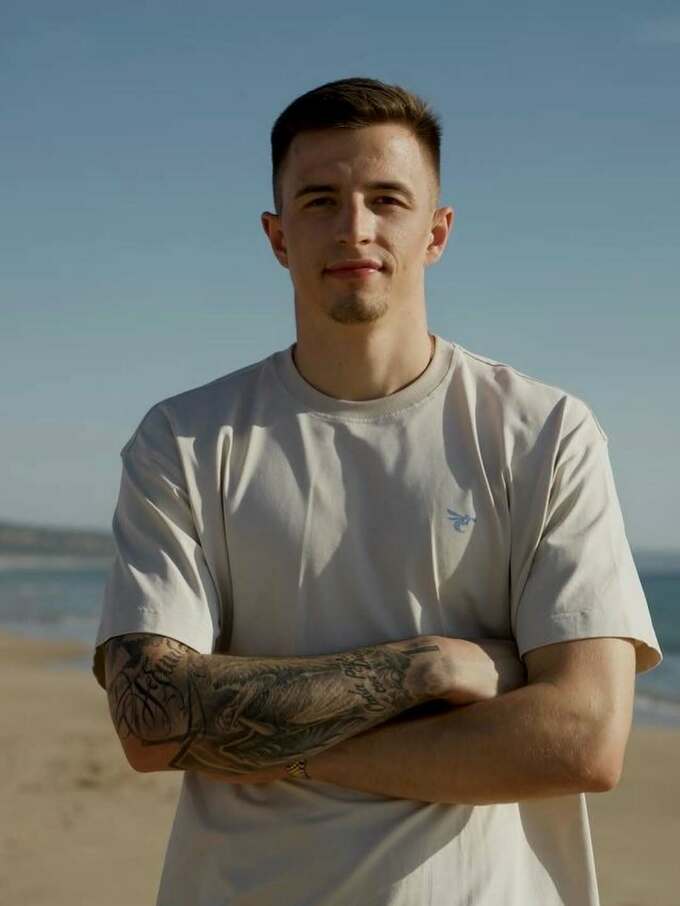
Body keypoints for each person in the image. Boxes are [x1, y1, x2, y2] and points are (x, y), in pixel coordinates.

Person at [92, 76, 663, 906]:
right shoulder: (185, 440)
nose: (354, 226)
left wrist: (272, 743)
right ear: (277, 235)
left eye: (386, 199)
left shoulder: (542, 433)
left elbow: (582, 741)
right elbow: (153, 720)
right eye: (319, 200)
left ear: (437, 232)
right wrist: (429, 668)